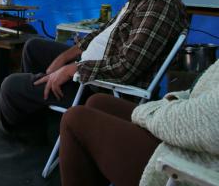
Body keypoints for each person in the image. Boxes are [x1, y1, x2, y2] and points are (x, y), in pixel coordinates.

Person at [0, 0, 188, 135]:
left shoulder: (160, 3)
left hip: (102, 89)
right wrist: (68, 55)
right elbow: (105, 32)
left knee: (11, 85)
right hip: (93, 71)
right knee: (33, 47)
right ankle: (32, 115)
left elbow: (127, 67)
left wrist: (71, 69)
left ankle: (14, 126)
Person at [59, 58, 219, 186]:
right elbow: (196, 93)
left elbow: (208, 122)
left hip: (196, 165)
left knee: (75, 118)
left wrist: (148, 112)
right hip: (191, 140)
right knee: (97, 102)